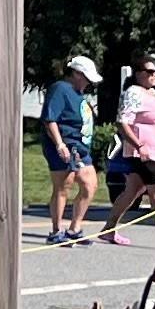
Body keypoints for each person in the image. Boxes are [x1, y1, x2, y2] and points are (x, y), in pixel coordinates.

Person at [110, 58, 155, 238]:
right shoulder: (134, 92)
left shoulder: (153, 93)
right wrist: (139, 145)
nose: (154, 75)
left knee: (133, 190)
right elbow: (122, 122)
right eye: (149, 72)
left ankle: (108, 230)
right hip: (144, 153)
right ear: (138, 74)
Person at [40, 55, 103, 246]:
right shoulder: (61, 89)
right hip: (64, 144)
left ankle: (75, 228)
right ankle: (56, 231)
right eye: (86, 78)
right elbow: (50, 119)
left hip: (80, 147)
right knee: (63, 186)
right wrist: (60, 144)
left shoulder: (78, 94)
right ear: (76, 73)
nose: (89, 83)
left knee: (90, 185)